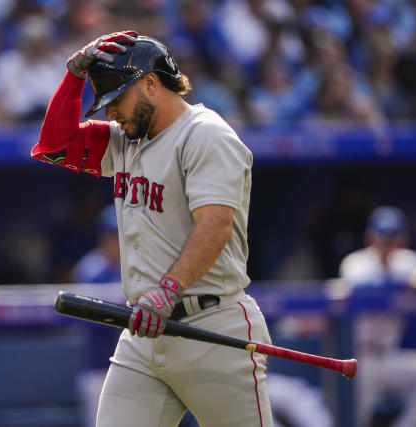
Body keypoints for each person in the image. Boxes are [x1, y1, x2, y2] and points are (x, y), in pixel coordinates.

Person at [32, 31, 272, 426]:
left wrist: (167, 290)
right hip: (143, 333)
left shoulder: (205, 133)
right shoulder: (127, 139)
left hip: (211, 325)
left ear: (150, 83)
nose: (110, 114)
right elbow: (55, 145)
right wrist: (74, 75)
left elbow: (215, 226)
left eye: (115, 100)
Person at [339, 206, 416, 427]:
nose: (387, 242)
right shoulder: (355, 262)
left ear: (403, 238)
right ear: (370, 237)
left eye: (393, 236)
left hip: (390, 357)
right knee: (354, 420)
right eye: (383, 235)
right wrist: (407, 283)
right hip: (359, 359)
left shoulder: (406, 262)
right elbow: (362, 287)